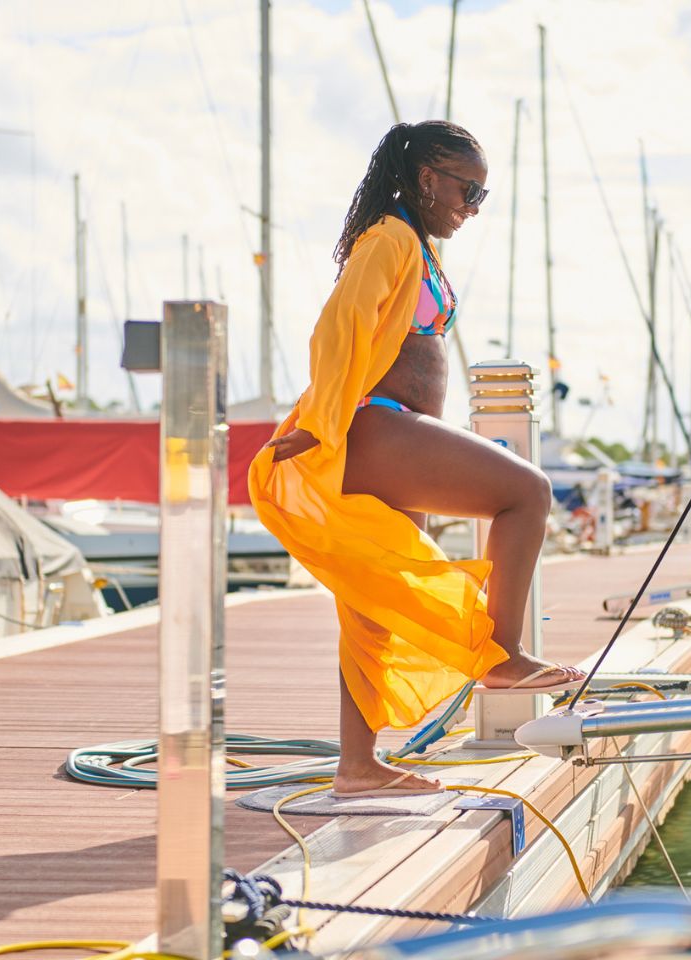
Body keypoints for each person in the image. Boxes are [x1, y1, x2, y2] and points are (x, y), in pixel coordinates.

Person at [248, 121, 585, 799]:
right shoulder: (390, 239)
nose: (474, 206)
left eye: (484, 195)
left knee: (371, 608)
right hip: (375, 426)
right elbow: (340, 326)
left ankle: (357, 765)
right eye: (468, 189)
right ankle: (503, 656)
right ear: (427, 178)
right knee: (527, 493)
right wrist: (319, 423)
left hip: (396, 429)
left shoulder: (416, 242)